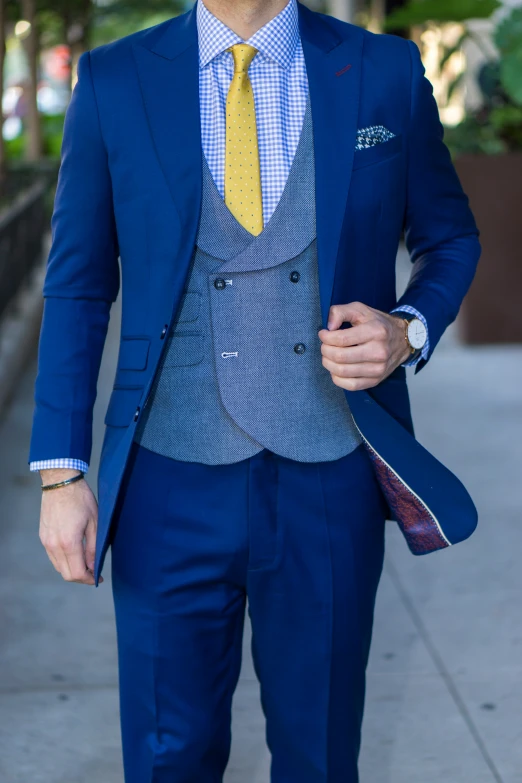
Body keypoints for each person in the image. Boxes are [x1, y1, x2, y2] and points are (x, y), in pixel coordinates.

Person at [29, 0, 481, 780]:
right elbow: (77, 286)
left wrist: (407, 328)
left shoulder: (383, 71)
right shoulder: (115, 80)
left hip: (329, 472)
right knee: (169, 755)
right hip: (165, 477)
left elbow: (450, 237)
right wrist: (61, 470)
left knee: (322, 753)